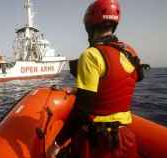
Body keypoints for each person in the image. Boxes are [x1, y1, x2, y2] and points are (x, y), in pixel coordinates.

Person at [47, 0, 149, 157]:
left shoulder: (91, 55)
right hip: (125, 139)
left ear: (89, 25)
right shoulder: (130, 51)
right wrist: (78, 91)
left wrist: (56, 144)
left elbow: (82, 111)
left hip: (98, 143)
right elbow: (130, 79)